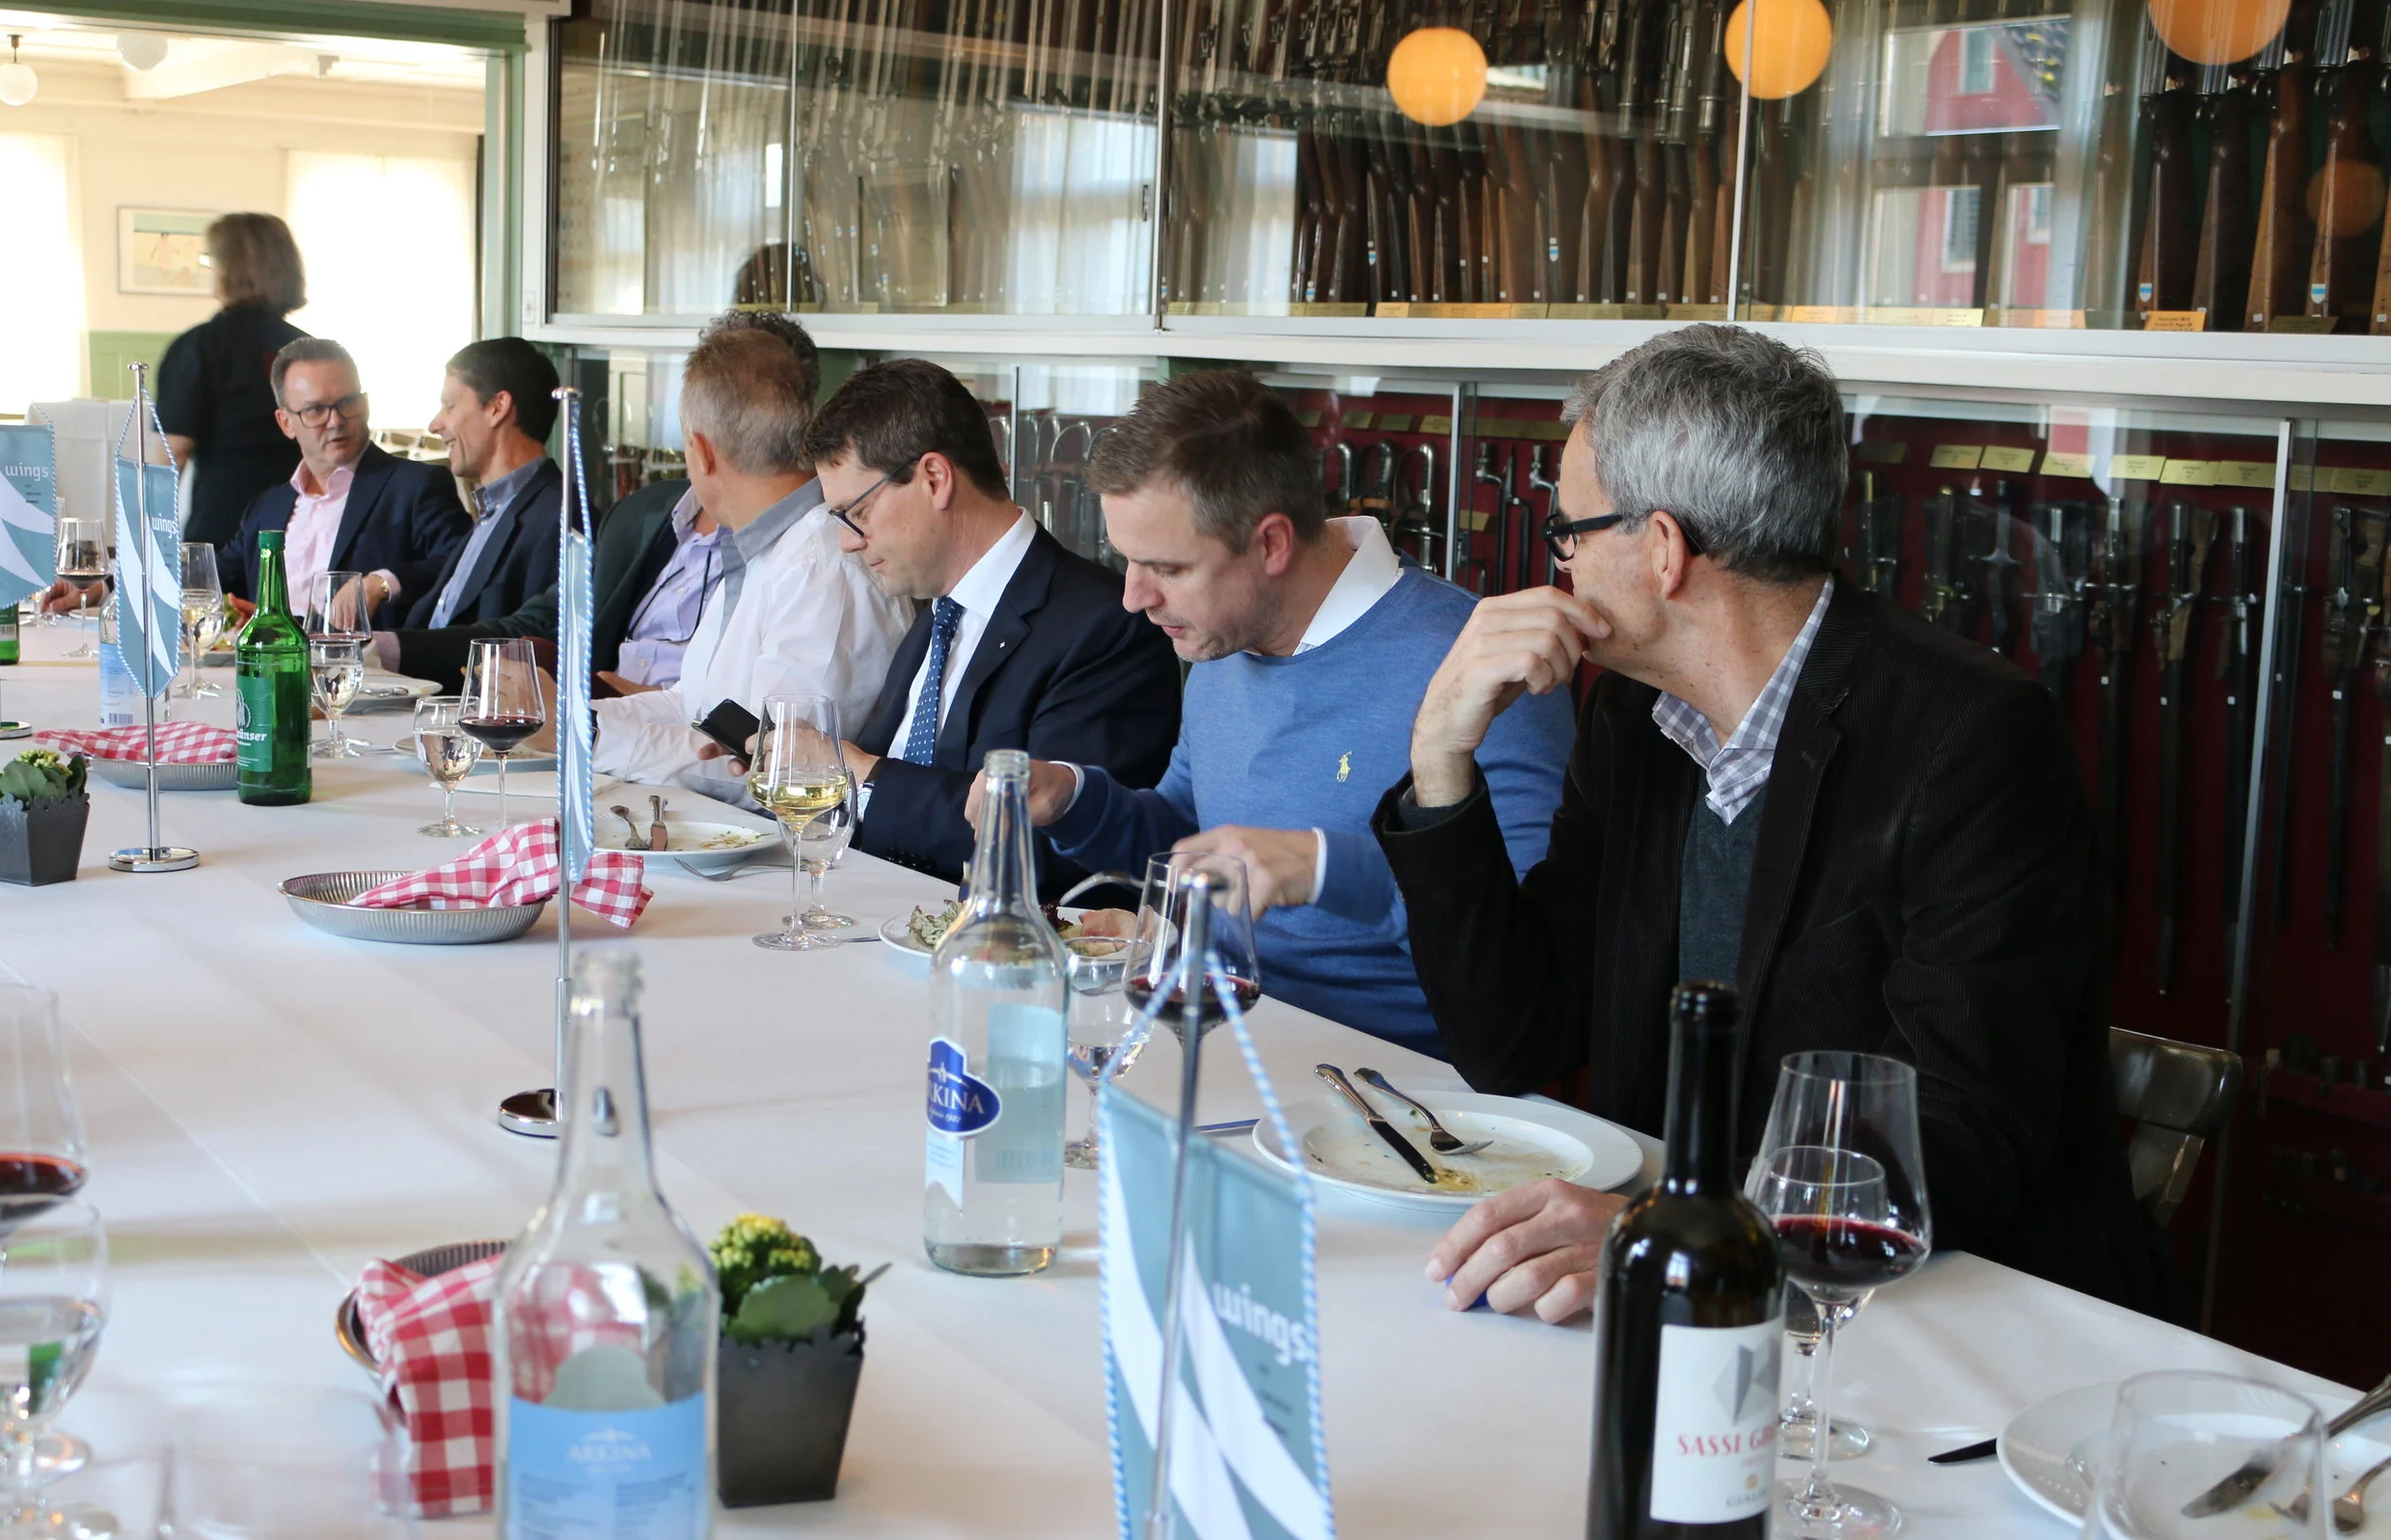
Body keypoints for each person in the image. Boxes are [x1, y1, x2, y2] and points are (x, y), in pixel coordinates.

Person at [1375, 324, 2173, 1323]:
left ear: (1662, 549)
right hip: (1684, 1299)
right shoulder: (1634, 713)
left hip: (1946, 1321)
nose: (1560, 564)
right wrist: (1439, 761)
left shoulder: (1971, 735)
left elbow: (1964, 1132)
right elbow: (1517, 1038)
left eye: (1569, 531)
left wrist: (1672, 1231)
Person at [976, 370, 1574, 1054]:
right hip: (1219, 1039)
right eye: (1127, 562)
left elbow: (1522, 945)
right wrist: (1075, 800)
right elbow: (1193, 833)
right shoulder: (1223, 637)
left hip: (1398, 1082)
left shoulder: (1478, 668)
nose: (1133, 597)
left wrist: (1321, 866)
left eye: (1166, 568)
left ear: (1270, 544)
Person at [798, 359, 1180, 894]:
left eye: (856, 513)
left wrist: (859, 772)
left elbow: (1047, 851)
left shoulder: (1107, 628)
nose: (847, 542)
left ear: (935, 479)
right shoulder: (937, 610)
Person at [377, 311, 821, 687]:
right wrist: (385, 649)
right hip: (589, 741)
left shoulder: (809, 550)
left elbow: (751, 722)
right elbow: (543, 620)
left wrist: (614, 710)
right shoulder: (641, 513)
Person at [591, 328, 908, 796]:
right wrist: (572, 720)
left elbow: (766, 772)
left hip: (787, 840)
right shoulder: (765, 545)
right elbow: (690, 707)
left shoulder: (822, 562)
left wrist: (587, 740)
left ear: (702, 452)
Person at [209, 338, 470, 625]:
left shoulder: (415, 486)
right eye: (315, 410)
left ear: (365, 405)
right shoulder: (266, 508)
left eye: (347, 403)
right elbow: (210, 580)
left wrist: (381, 582)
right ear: (286, 422)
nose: (335, 421)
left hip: (365, 652)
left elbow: (464, 563)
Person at [158, 213, 310, 547]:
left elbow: (171, 455)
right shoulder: (310, 348)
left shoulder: (200, 346)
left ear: (230, 268)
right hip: (303, 524)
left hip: (225, 528)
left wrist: (148, 542)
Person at [398, 338, 564, 632]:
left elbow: (531, 642)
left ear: (497, 408)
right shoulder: (493, 509)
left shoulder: (559, 520)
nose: (435, 425)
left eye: (449, 406)